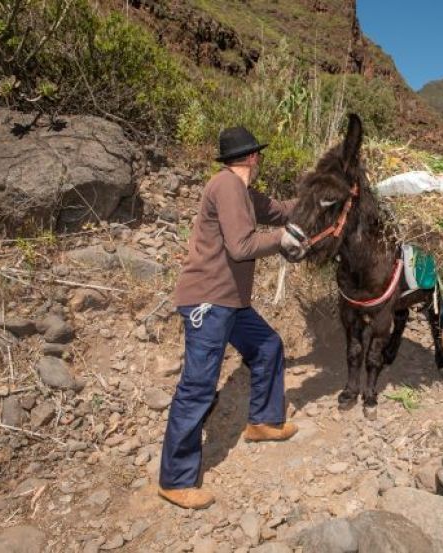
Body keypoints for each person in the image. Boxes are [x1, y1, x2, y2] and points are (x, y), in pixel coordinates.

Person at [157, 127, 307, 509]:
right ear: (253, 157)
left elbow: (279, 210)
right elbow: (241, 247)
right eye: (258, 156)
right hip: (208, 302)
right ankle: (175, 481)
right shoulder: (226, 186)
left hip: (230, 302)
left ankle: (263, 422)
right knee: (198, 387)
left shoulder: (242, 192)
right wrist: (281, 239)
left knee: (267, 345)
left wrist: (318, 199)